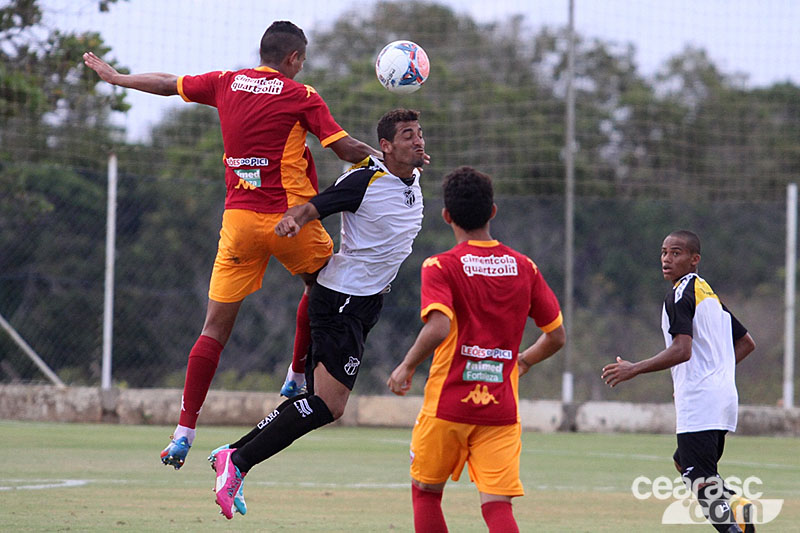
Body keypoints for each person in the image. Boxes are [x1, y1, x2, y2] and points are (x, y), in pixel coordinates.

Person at [83, 20, 383, 470]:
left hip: (239, 223)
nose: (302, 67)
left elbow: (167, 83)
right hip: (289, 221)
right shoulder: (301, 95)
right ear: (293, 58)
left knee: (213, 330)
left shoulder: (226, 82)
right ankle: (295, 374)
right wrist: (388, 161)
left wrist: (118, 77)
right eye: (302, 60)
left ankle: (183, 433)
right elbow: (344, 148)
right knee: (323, 284)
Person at [209, 108, 427, 519]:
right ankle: (238, 461)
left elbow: (403, 171)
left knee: (318, 402)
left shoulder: (411, 176)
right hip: (340, 300)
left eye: (419, 134)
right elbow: (319, 204)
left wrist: (410, 157)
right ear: (385, 146)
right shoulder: (364, 179)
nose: (418, 141)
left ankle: (234, 453)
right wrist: (294, 219)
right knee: (328, 405)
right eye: (407, 135)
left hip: (366, 302)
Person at [387, 166, 566, 533]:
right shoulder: (524, 267)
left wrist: (406, 365)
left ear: (446, 216)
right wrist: (524, 361)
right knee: (497, 506)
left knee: (426, 493)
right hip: (500, 407)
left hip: (448, 403)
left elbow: (439, 326)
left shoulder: (441, 266)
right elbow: (556, 336)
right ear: (493, 211)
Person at [601, 230, 757, 533]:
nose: (667, 259)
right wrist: (714, 374)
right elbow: (746, 343)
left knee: (699, 479)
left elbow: (682, 350)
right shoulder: (707, 294)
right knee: (685, 464)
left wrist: (634, 369)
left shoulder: (679, 294)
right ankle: (735, 507)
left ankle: (734, 521)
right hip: (721, 399)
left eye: (676, 253)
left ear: (694, 259)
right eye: (664, 252)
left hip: (702, 401)